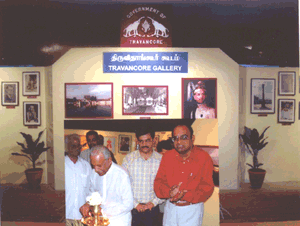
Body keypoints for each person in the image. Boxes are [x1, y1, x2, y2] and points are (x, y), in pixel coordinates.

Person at [154, 124, 214, 226]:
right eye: (175, 138)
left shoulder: (204, 157)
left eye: (184, 137)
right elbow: (158, 183)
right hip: (170, 208)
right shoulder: (168, 156)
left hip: (192, 209)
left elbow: (207, 188)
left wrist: (185, 195)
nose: (179, 142)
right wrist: (170, 192)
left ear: (192, 138)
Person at [80, 145, 134, 226]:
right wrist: (87, 204)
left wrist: (103, 211)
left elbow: (129, 204)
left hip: (119, 221)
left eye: (99, 165)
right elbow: (92, 193)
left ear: (109, 160)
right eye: (93, 165)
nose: (96, 169)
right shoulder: (94, 174)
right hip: (100, 221)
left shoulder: (121, 175)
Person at [122, 127, 163, 226]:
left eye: (147, 141)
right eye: (141, 141)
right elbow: (122, 186)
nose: (144, 144)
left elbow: (165, 186)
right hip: (133, 209)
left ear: (153, 140)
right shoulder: (128, 159)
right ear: (137, 142)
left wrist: (153, 202)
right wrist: (136, 204)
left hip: (153, 209)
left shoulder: (161, 160)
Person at [65, 134, 92, 226]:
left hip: (81, 217)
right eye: (73, 146)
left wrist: (88, 205)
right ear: (67, 147)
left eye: (78, 146)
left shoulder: (86, 166)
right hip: (65, 216)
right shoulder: (61, 165)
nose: (77, 148)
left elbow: (91, 190)